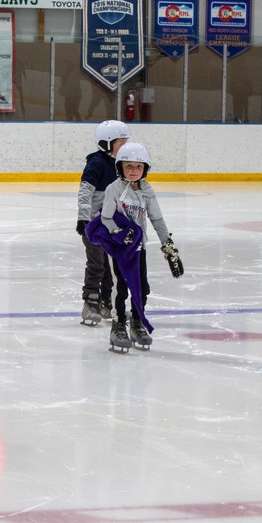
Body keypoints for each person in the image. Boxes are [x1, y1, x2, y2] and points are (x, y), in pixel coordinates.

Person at [99, 142, 183, 351]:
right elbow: (106, 218)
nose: (134, 171)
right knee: (121, 288)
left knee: (142, 287)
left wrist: (168, 246)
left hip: (139, 248)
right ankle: (118, 326)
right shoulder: (114, 189)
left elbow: (157, 219)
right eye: (129, 166)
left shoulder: (147, 191)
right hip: (120, 248)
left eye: (138, 166)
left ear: (145, 168)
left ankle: (137, 323)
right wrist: (119, 235)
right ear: (120, 168)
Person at [76, 120, 130, 326]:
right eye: (121, 143)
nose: (126, 147)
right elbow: (85, 192)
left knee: (111, 267)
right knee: (97, 263)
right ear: (107, 144)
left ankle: (107, 302)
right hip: (93, 224)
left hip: (112, 225)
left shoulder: (122, 166)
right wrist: (83, 218)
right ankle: (90, 302)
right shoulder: (96, 163)